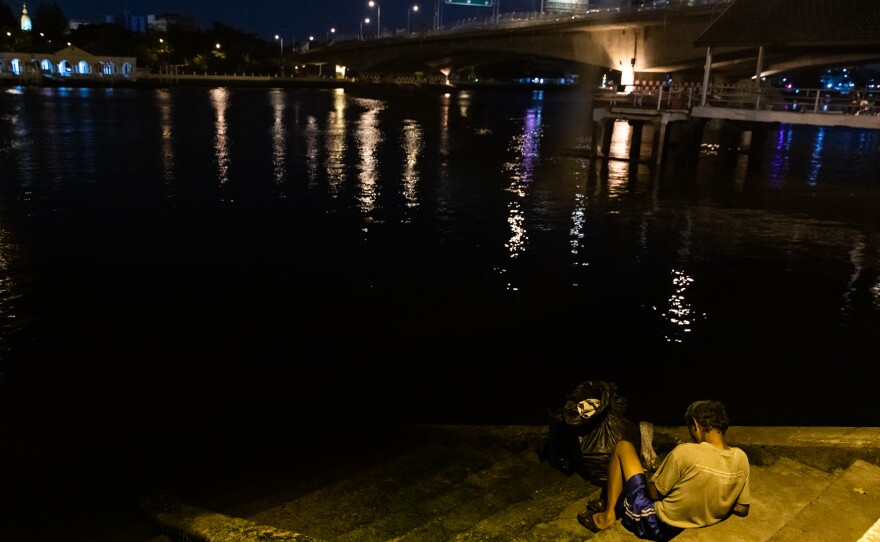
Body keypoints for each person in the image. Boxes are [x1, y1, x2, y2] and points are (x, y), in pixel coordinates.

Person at [576, 400, 750, 541]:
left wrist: (657, 478)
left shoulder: (686, 452)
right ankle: (615, 500)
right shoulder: (741, 458)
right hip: (680, 522)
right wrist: (715, 498)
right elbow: (742, 509)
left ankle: (608, 516)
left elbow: (654, 494)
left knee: (623, 447)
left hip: (654, 523)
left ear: (696, 425)